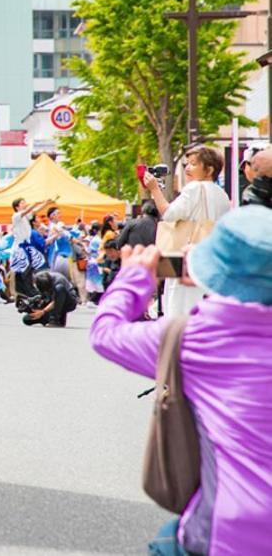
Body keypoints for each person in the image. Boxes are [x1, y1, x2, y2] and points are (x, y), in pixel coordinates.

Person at [90, 209, 272, 555]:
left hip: (233, 533)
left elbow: (106, 333)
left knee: (167, 542)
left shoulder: (194, 339)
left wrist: (132, 280)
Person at [144, 147, 232, 318]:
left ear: (209, 169)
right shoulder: (222, 194)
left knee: (179, 308)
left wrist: (155, 189)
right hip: (211, 258)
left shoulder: (194, 189)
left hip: (184, 258)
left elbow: (169, 214)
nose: (187, 168)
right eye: (187, 164)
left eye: (193, 164)